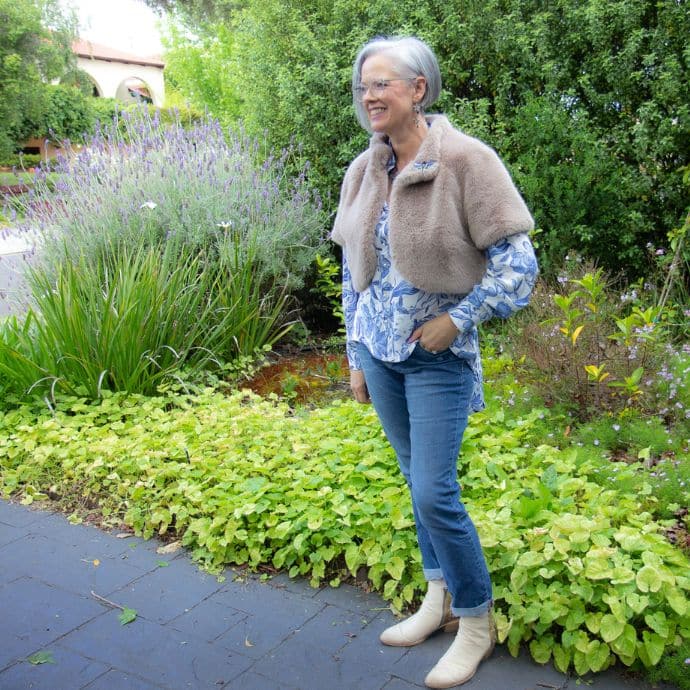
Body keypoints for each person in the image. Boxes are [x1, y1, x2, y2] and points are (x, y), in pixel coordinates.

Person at [330, 36, 538, 688]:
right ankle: (437, 597)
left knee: (433, 490)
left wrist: (458, 319)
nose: (370, 96)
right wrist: (353, 353)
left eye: (383, 83)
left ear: (418, 89)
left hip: (436, 355)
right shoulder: (365, 171)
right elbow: (352, 271)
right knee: (412, 480)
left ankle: (476, 620)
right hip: (378, 350)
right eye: (364, 85)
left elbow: (519, 267)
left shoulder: (467, 163)